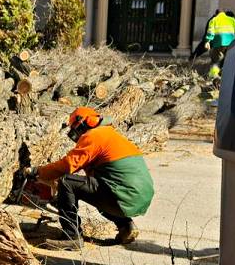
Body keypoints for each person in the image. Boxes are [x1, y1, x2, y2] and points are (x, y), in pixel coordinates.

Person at [26, 107, 155, 250]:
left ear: (83, 124)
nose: (75, 136)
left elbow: (68, 165)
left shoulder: (93, 136)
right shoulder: (110, 135)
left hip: (124, 196)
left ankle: (72, 237)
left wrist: (38, 171)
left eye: (75, 130)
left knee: (67, 182)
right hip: (138, 197)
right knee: (96, 190)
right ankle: (126, 226)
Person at [197, 9, 235, 79]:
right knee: (229, 59)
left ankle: (213, 76)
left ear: (216, 14)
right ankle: (228, 76)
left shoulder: (214, 20)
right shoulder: (231, 19)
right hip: (230, 44)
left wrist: (207, 41)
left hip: (218, 44)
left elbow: (210, 32)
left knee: (216, 60)